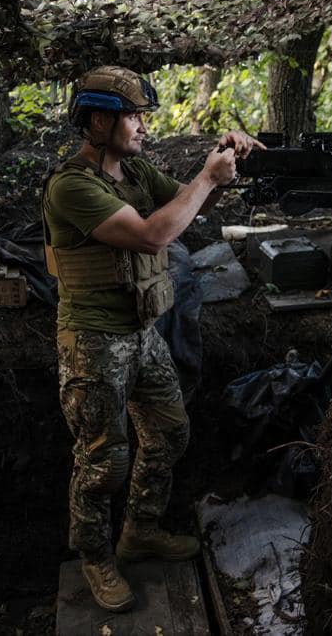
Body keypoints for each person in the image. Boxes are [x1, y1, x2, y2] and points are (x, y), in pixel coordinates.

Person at [42, 65, 264, 612]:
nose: (143, 127)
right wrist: (207, 178)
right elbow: (153, 234)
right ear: (98, 120)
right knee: (102, 461)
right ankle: (94, 556)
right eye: (133, 116)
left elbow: (189, 208)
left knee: (169, 433)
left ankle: (140, 530)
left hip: (142, 334)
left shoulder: (135, 172)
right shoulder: (72, 185)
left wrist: (222, 163)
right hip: (93, 341)